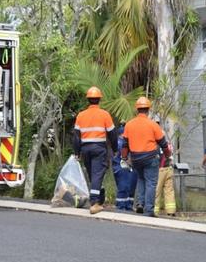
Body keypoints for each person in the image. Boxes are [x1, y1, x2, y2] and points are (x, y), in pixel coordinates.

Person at [121, 97, 170, 217]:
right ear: (148, 109)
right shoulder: (153, 125)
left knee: (141, 179)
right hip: (150, 158)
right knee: (151, 183)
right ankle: (149, 210)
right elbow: (163, 144)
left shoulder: (129, 124)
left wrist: (124, 158)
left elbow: (125, 145)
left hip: (136, 158)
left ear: (137, 109)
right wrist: (168, 155)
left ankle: (140, 204)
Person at [73, 86, 118, 214]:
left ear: (88, 100)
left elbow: (76, 137)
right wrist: (115, 149)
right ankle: (94, 203)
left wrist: (77, 152)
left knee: (93, 175)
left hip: (85, 149)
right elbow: (112, 134)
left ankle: (99, 197)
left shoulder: (81, 115)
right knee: (97, 174)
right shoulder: (104, 115)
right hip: (99, 148)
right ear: (99, 99)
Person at [112, 122, 137, 211]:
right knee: (124, 187)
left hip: (122, 167)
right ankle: (121, 205)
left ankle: (127, 205)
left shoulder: (119, 142)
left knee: (128, 187)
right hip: (121, 167)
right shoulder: (121, 143)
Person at [154, 121, 176, 216]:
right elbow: (171, 157)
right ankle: (171, 211)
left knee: (156, 191)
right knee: (169, 191)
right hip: (169, 169)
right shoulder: (168, 144)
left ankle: (155, 210)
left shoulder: (155, 145)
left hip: (160, 169)